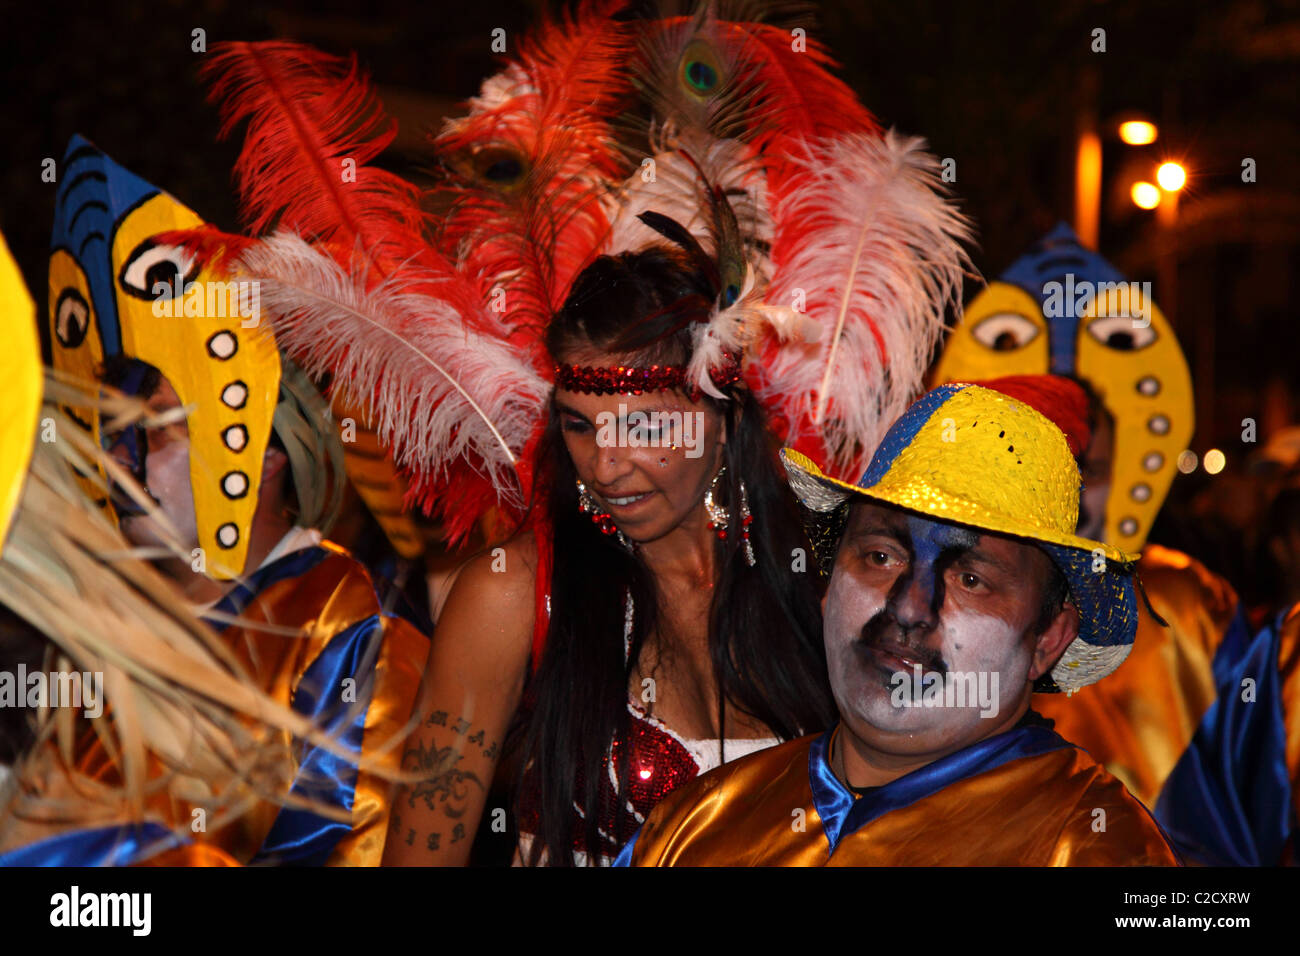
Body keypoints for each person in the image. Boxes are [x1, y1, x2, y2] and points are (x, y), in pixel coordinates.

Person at [172, 13, 969, 865]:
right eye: (582, 427)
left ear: (720, 417)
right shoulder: (517, 594)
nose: (606, 462)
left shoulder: (827, 583)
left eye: (644, 425)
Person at [43, 137, 429, 865]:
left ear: (261, 452)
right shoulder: (94, 621)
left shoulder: (348, 634)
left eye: (152, 429)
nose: (112, 459)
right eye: (103, 428)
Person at [616, 382, 1180, 865]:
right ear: (828, 582)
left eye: (971, 581)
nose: (910, 608)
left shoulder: (1092, 845)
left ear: (1048, 638)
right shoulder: (699, 823)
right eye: (882, 557)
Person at [932, 225, 1296, 865]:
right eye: (1043, 479)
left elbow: (1261, 763)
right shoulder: (934, 602)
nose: (1065, 504)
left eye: (1086, 475)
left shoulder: (1185, 602)